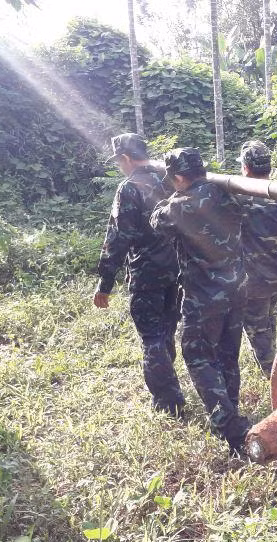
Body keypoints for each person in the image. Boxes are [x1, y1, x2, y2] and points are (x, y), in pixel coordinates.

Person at [150, 148, 250, 453]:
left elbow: (156, 221)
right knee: (228, 352)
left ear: (179, 177)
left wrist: (172, 197)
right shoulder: (228, 193)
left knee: (197, 354)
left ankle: (228, 425)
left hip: (204, 296)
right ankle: (230, 407)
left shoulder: (181, 205)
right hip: (237, 288)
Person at [93, 133, 184, 417]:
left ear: (127, 159)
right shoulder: (171, 180)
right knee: (167, 329)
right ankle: (169, 384)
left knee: (152, 337)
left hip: (147, 273)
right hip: (177, 269)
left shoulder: (129, 188)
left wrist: (104, 283)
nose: (121, 167)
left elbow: (118, 237)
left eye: (120, 162)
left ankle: (169, 402)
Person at [237, 141, 277, 376]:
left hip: (256, 281)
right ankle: (274, 359)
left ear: (245, 168)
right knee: (267, 318)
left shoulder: (242, 199)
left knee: (257, 327)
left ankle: (272, 374)